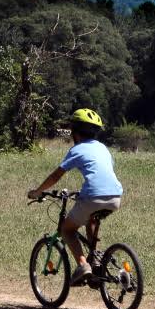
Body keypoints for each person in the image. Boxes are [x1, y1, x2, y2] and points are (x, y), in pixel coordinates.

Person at [27, 108, 123, 286]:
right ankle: (95, 260)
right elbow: (102, 174)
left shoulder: (77, 149)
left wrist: (38, 191)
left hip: (93, 196)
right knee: (91, 219)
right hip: (116, 196)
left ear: (74, 131)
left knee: (67, 229)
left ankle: (83, 265)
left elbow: (56, 175)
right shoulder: (103, 149)